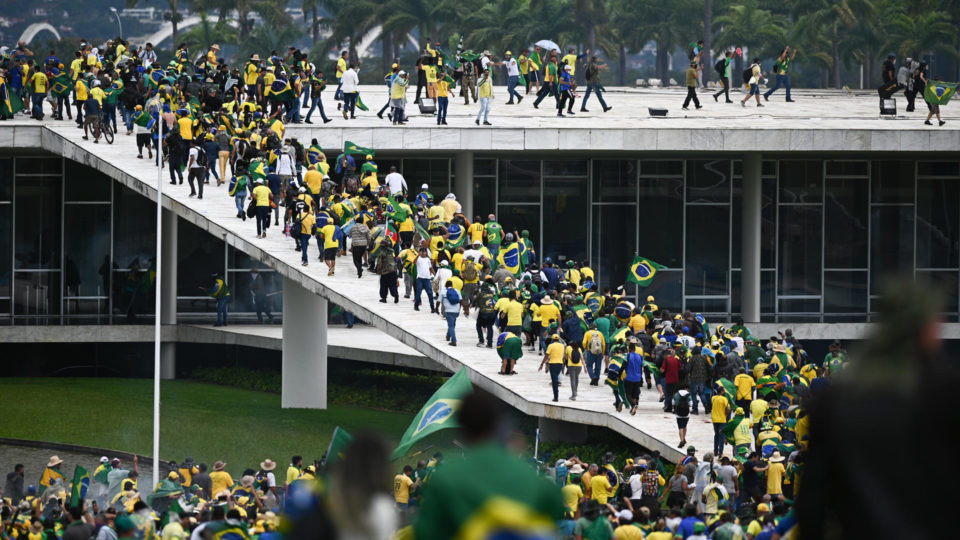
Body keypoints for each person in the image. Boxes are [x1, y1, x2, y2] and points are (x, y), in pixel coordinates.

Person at [539, 334, 565, 402]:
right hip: (560, 364)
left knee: (554, 381)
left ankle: (556, 396)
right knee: (556, 379)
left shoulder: (551, 346)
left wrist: (542, 364)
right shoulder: (562, 346)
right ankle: (556, 394)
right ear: (558, 339)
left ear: (552, 339)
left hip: (553, 364)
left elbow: (546, 356)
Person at [623, 342, 644, 414]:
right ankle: (633, 409)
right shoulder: (640, 356)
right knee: (634, 394)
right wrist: (641, 378)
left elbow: (623, 366)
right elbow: (642, 367)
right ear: (635, 349)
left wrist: (618, 374)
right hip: (637, 378)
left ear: (629, 349)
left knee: (628, 394)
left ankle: (633, 405)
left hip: (629, 378)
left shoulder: (627, 356)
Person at [413, 248, 435, 312]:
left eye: (424, 252)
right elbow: (414, 262)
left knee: (430, 293)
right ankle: (416, 305)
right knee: (418, 292)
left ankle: (432, 307)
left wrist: (435, 275)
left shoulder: (428, 259)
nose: (423, 253)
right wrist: (418, 255)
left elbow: (430, 268)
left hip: (427, 278)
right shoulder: (418, 258)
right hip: (420, 278)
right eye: (422, 252)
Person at [712, 384, 731, 457]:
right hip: (722, 419)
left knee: (716, 434)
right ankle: (720, 453)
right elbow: (728, 408)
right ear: (722, 392)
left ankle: (715, 451)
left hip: (714, 419)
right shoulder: (724, 399)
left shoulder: (713, 398)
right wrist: (726, 414)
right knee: (721, 436)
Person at [441, 280, 461, 346]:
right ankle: (448, 336)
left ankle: (454, 341)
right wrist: (466, 309)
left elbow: (438, 301)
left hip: (449, 311)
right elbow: (461, 300)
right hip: (456, 311)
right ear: (452, 285)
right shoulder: (457, 291)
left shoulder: (443, 291)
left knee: (451, 325)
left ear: (446, 286)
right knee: (452, 324)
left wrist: (436, 308)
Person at [674, 383, 691, 448]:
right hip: (686, 414)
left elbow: (673, 402)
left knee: (680, 427)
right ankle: (684, 438)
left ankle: (681, 440)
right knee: (685, 426)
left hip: (678, 414)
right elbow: (691, 403)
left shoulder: (676, 394)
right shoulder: (688, 395)